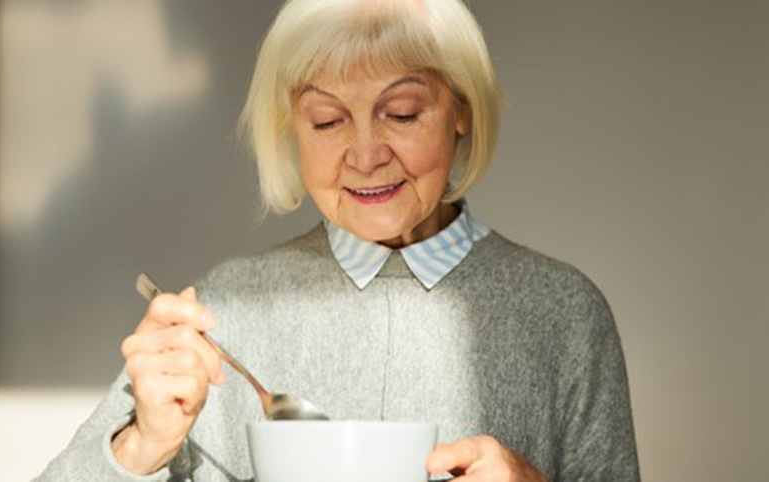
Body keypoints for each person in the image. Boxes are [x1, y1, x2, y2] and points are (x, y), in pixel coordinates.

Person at [37, 0, 640, 480]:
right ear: (292, 128)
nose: (366, 154)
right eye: (327, 121)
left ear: (461, 110)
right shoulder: (228, 314)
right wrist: (139, 446)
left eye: (402, 112)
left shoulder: (564, 312)